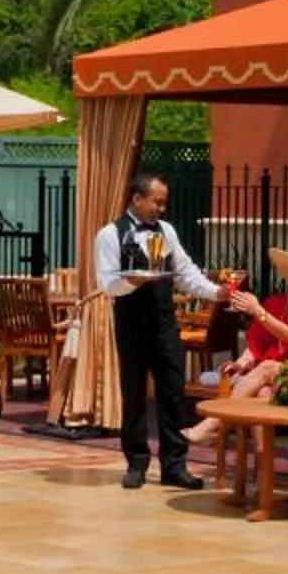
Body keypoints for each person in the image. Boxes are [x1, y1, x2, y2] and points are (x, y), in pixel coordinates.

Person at [92, 174, 221, 490]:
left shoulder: (167, 232)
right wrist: (131, 282)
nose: (161, 209)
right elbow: (107, 284)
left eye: (164, 203)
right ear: (137, 199)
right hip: (131, 321)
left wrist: (217, 293)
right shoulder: (110, 235)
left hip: (164, 322)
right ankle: (136, 462)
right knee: (134, 393)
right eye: (157, 202)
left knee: (173, 393)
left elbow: (185, 274)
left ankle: (174, 466)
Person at [181, 245, 288, 444]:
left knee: (267, 367)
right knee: (262, 393)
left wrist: (259, 312)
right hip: (272, 380)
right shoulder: (275, 303)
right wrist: (241, 364)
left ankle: (213, 425)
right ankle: (262, 466)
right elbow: (257, 342)